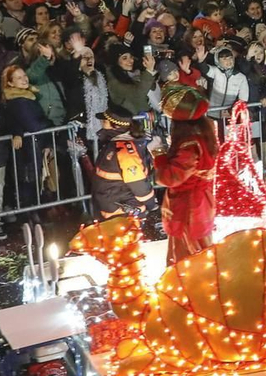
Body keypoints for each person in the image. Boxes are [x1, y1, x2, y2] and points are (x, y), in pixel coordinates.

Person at [154, 82, 219, 262]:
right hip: (200, 202)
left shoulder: (189, 144)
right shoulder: (205, 134)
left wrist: (157, 153)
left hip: (188, 209)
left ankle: (188, 287)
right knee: (202, 249)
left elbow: (170, 177)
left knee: (187, 256)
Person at [88, 107, 157, 221]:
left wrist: (150, 205)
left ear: (116, 126)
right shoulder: (113, 145)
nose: (101, 123)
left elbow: (138, 184)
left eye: (104, 121)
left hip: (122, 214)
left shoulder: (125, 152)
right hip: (114, 209)